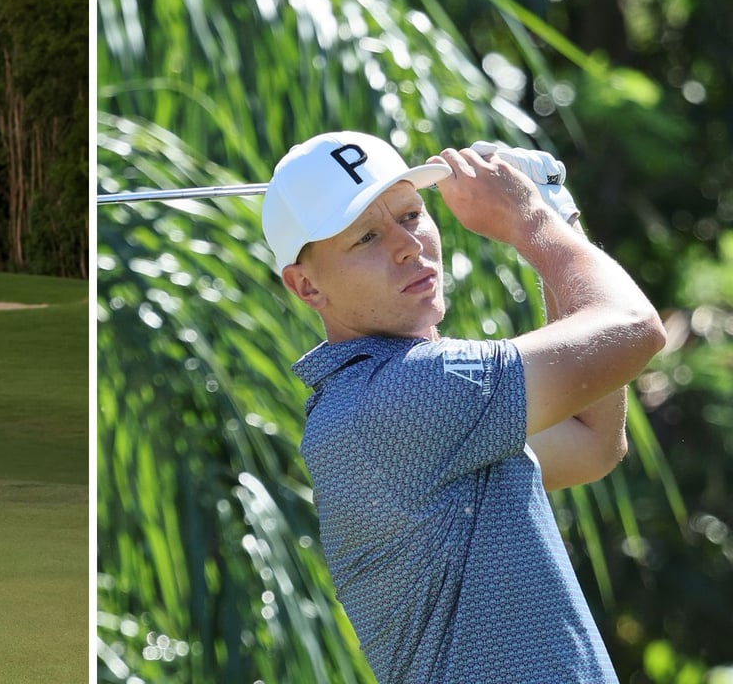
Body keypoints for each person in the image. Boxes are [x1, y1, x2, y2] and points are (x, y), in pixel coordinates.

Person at [260, 131, 665, 682]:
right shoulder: (401, 396)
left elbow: (592, 441)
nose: (407, 245)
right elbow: (633, 329)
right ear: (306, 287)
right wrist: (531, 220)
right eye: (366, 238)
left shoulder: (381, 403)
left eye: (410, 215)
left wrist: (553, 211)